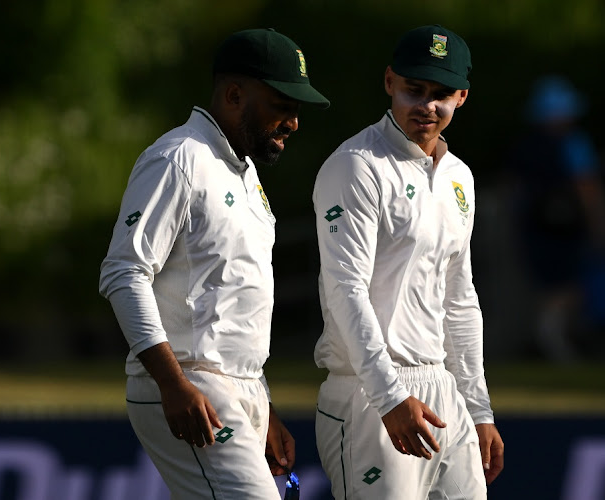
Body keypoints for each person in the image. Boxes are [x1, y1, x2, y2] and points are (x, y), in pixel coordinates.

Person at [98, 28, 329, 499]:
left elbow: (234, 304)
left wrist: (261, 405)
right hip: (188, 384)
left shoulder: (245, 174)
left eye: (296, 111)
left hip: (235, 388)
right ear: (234, 94)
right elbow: (123, 273)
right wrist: (172, 384)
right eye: (281, 106)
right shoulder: (179, 159)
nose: (293, 123)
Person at [312, 25, 503, 499]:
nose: (426, 106)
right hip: (368, 391)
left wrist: (478, 409)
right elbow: (345, 290)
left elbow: (459, 298)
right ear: (389, 82)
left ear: (462, 97)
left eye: (441, 95)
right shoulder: (357, 165)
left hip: (443, 391)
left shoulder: (459, 176)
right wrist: (390, 396)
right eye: (413, 90)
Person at [507, 75, 605, 363]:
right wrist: (600, 222)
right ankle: (553, 338)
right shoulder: (573, 143)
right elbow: (587, 186)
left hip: (534, 226)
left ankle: (552, 337)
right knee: (568, 285)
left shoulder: (526, 145)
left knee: (551, 285)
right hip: (565, 227)